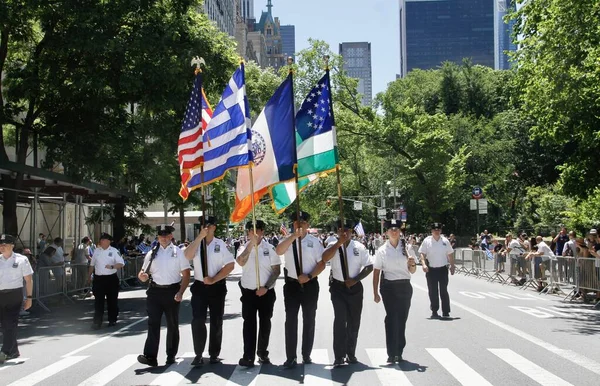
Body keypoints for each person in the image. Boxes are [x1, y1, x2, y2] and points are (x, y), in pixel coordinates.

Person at [275, 211, 325, 369]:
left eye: (303, 222)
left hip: (310, 284)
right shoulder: (288, 240)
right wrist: (292, 237)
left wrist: (309, 276)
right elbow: (278, 251)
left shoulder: (314, 242)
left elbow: (321, 264)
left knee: (309, 320)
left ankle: (306, 354)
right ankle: (291, 357)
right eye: (296, 222)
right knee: (290, 321)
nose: (299, 225)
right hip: (292, 285)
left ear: (307, 225)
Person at [183, 216, 235, 366]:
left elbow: (230, 265)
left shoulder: (220, 245)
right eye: (203, 225)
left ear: (214, 228)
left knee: (216, 321)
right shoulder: (196, 244)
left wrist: (214, 279)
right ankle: (198, 353)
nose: (206, 228)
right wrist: (199, 237)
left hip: (216, 286)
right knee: (198, 320)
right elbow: (187, 256)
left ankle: (213, 354)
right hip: (199, 286)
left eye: (209, 225)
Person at [137, 225, 191, 367]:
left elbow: (186, 274)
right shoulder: (152, 253)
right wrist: (142, 277)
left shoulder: (178, 252)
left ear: (171, 237)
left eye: (167, 236)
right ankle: (150, 356)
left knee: (172, 324)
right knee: (153, 323)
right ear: (158, 237)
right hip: (155, 292)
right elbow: (143, 273)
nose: (164, 238)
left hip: (172, 291)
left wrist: (181, 292)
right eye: (161, 236)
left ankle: (171, 355)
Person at [322, 219, 373, 367]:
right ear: (337, 231)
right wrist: (339, 243)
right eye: (341, 230)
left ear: (352, 232)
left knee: (354, 321)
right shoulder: (332, 245)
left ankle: (350, 353)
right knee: (340, 320)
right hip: (338, 288)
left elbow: (369, 266)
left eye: (348, 230)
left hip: (355, 288)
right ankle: (339, 355)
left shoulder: (359, 247)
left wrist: (356, 279)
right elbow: (324, 259)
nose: (345, 233)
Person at [236, 220, 281, 367]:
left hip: (266, 293)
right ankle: (248, 356)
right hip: (248, 292)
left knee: (265, 323)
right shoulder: (243, 247)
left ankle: (262, 353)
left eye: (256, 230)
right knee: (249, 324)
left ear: (262, 231)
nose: (253, 233)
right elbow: (241, 262)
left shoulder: (270, 248)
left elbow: (276, 270)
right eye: (250, 230)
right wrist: (250, 245)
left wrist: (266, 287)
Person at [372, 219, 416, 363]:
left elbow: (413, 271)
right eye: (391, 229)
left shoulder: (407, 248)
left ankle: (399, 350)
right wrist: (375, 292)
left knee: (402, 319)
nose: (394, 231)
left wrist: (412, 264)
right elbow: (377, 272)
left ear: (400, 232)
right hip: (389, 287)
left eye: (397, 229)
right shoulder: (382, 250)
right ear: (386, 233)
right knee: (392, 318)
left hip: (404, 286)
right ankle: (391, 352)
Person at [0, 234, 34, 364]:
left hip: (15, 294)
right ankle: (14, 350)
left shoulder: (21, 260)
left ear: (12, 246)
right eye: (1, 245)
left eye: (5, 245)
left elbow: (28, 280)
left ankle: (5, 351)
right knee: (4, 324)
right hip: (1, 295)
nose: (2, 247)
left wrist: (29, 298)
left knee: (11, 322)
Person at [88, 233, 124, 330]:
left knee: (112, 300)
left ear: (108, 241)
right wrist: (89, 276)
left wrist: (112, 266)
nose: (102, 241)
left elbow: (121, 263)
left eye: (104, 240)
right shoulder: (97, 251)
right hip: (99, 279)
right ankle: (97, 322)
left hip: (111, 278)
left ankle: (112, 319)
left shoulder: (114, 251)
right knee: (98, 301)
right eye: (101, 239)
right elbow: (92, 264)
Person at [418, 223, 455, 319]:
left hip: (442, 269)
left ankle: (446, 311)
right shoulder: (427, 241)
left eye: (438, 230)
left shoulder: (445, 241)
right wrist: (424, 264)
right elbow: (422, 253)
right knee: (432, 291)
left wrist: (452, 265)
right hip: (431, 269)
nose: (437, 231)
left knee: (444, 290)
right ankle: (434, 310)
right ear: (431, 231)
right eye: (435, 230)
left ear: (441, 231)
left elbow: (450, 254)